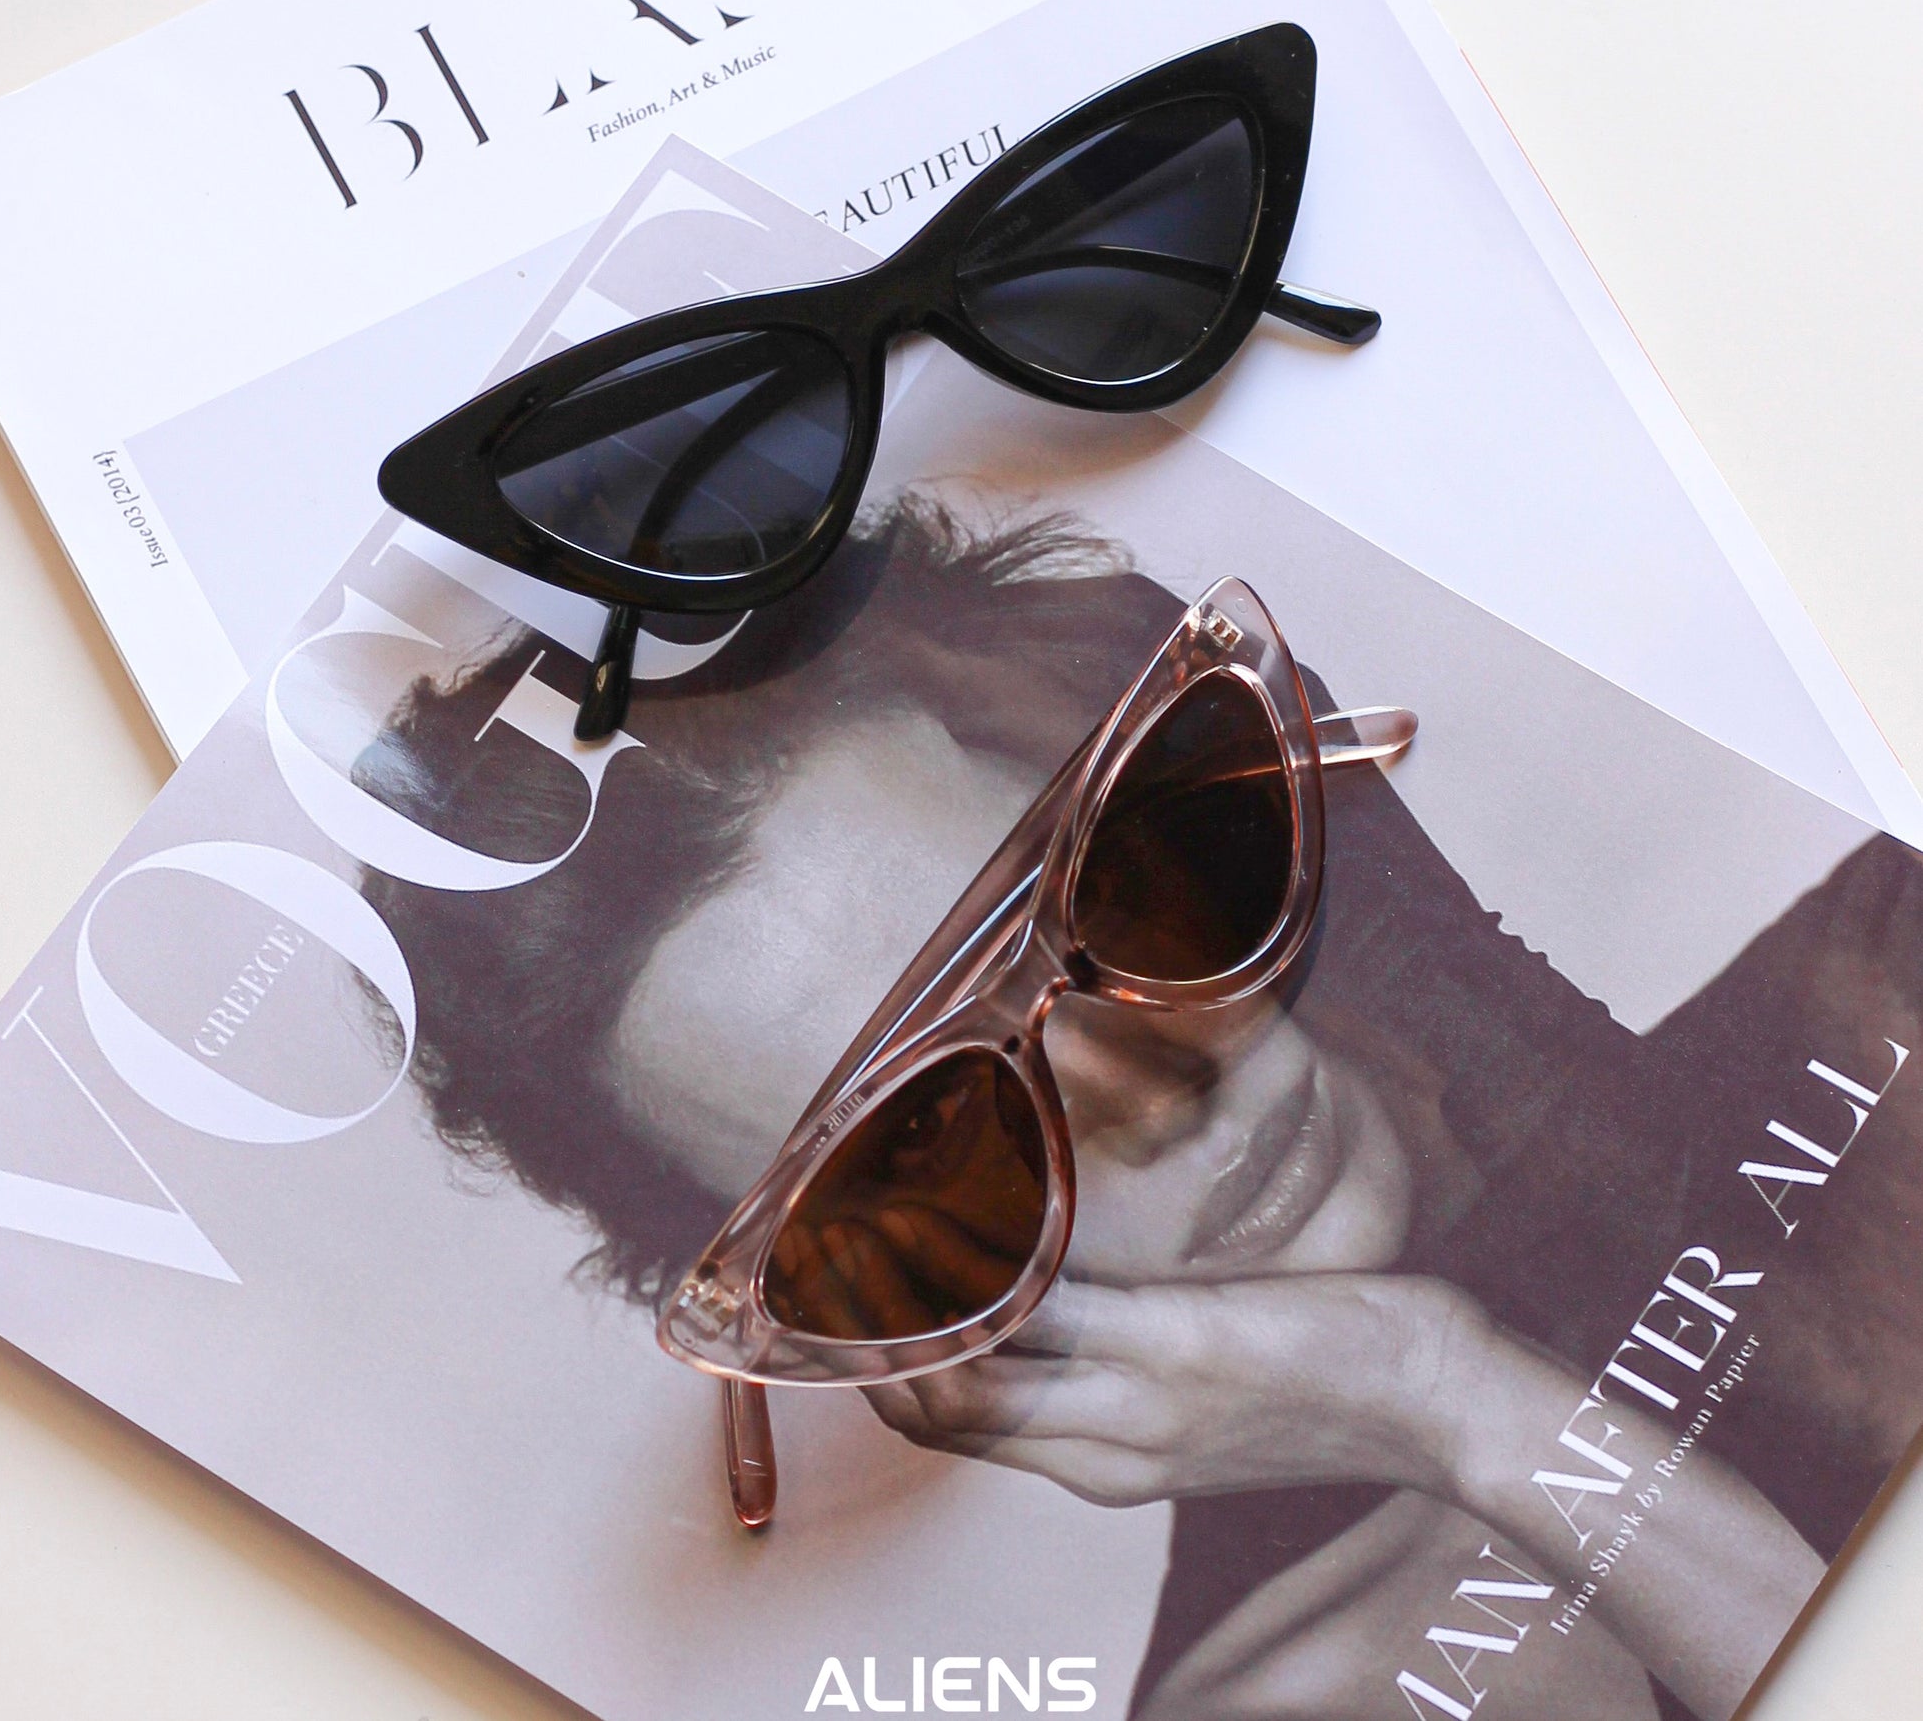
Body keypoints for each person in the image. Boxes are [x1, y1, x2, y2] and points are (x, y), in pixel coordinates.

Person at [356, 494, 1923, 1721]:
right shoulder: (1288, 1699)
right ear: (849, 1324)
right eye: (927, 1135)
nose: (1152, 1091)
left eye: (1091, 906)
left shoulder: (1888, 976)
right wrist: (1450, 1405)